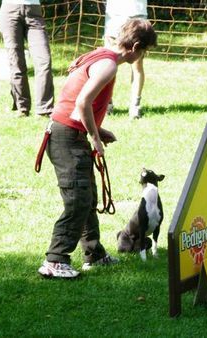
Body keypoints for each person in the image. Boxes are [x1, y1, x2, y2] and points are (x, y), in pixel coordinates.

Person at [37, 19, 157, 278]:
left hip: (67, 132)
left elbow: (74, 98)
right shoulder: (109, 65)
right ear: (136, 46)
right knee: (77, 201)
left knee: (88, 197)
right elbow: (82, 102)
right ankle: (55, 260)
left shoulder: (100, 54)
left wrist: (99, 129)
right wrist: (94, 137)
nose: (142, 56)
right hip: (67, 138)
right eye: (144, 51)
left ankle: (94, 254)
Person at [0, 0, 54, 117]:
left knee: (44, 61)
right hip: (10, 11)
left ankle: (44, 109)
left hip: (34, 13)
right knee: (16, 63)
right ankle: (22, 108)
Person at [104, 0, 148, 119]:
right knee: (109, 61)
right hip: (114, 15)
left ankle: (135, 106)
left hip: (138, 13)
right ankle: (106, 103)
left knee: (137, 64)